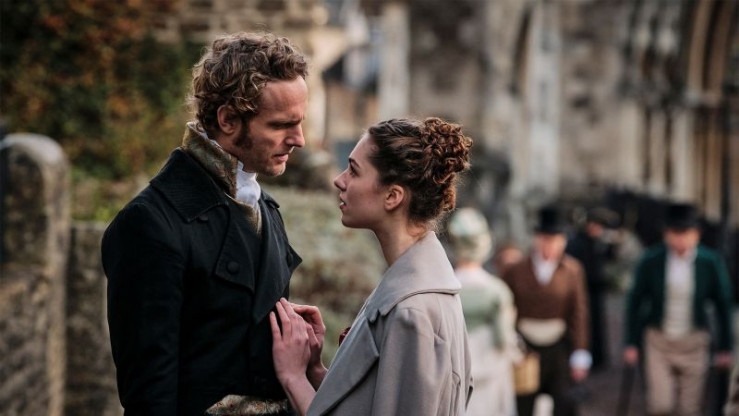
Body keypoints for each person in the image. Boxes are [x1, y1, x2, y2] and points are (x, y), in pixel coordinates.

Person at [101, 32, 307, 416]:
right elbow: (149, 399)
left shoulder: (264, 207)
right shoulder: (149, 223)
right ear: (228, 119)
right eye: (282, 125)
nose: (300, 139)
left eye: (300, 123)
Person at [268, 117, 474, 415]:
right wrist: (317, 370)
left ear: (392, 196)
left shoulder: (411, 312)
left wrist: (293, 376)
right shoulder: (415, 288)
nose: (340, 180)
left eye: (354, 170)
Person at [623, 202, 733, 416]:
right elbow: (635, 301)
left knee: (690, 408)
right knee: (660, 405)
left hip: (694, 341)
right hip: (659, 340)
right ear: (666, 234)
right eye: (675, 233)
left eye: (686, 233)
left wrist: (724, 347)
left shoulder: (710, 262)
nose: (680, 239)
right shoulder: (652, 260)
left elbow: (723, 304)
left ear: (696, 235)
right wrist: (631, 342)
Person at [502, 205, 591, 416]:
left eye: (555, 240)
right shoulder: (516, 270)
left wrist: (580, 351)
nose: (550, 245)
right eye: (545, 239)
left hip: (558, 346)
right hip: (525, 347)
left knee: (564, 403)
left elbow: (579, 312)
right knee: (523, 404)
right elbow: (506, 309)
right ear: (536, 239)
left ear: (563, 242)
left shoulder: (572, 270)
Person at [448, 207, 519, 416]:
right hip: (489, 364)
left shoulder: (445, 288)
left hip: (454, 363)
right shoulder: (496, 291)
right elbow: (503, 337)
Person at [566, 207, 618, 370]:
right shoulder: (579, 243)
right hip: (585, 290)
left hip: (595, 291)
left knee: (596, 326)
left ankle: (597, 358)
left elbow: (607, 260)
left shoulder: (595, 243)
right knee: (584, 325)